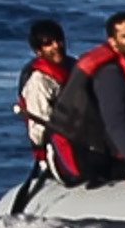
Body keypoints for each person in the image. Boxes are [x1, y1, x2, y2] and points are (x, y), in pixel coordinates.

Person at [44, 12, 125, 184]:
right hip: (93, 156)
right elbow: (115, 123)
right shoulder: (110, 73)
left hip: (100, 148)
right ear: (113, 42)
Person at [17, 22, 79, 180]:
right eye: (48, 44)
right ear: (38, 51)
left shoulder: (74, 68)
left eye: (59, 40)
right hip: (56, 152)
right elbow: (38, 133)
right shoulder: (39, 82)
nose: (56, 46)